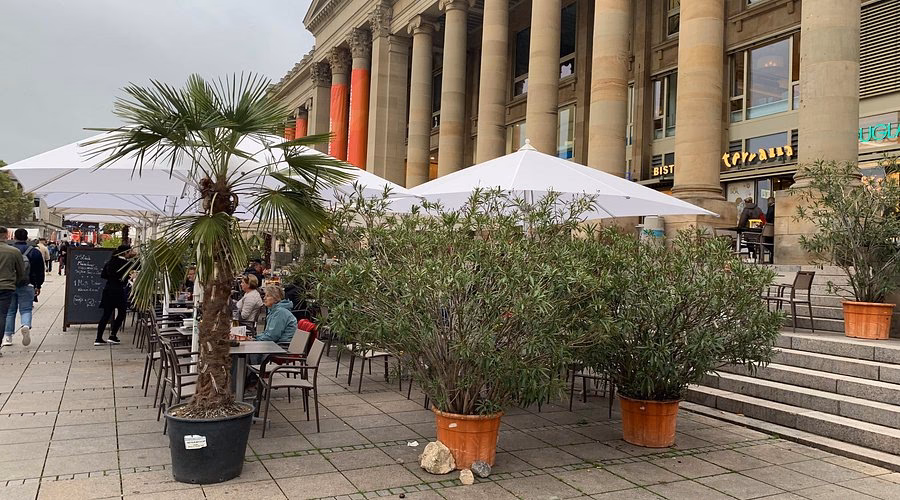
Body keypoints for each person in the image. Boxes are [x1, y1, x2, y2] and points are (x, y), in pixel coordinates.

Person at [4, 229, 44, 347]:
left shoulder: (9, 251)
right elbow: (40, 270)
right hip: (28, 284)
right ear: (27, 238)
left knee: (10, 311)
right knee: (26, 309)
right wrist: (38, 285)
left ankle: (8, 337)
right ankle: (25, 325)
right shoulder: (34, 252)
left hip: (10, 284)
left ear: (14, 237)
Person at [95, 245, 135, 346]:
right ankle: (113, 335)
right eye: (130, 251)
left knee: (106, 315)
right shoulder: (126, 263)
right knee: (121, 313)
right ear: (125, 253)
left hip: (108, 290)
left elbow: (103, 275)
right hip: (118, 291)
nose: (131, 253)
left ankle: (98, 338)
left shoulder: (110, 261)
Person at [0, 228, 27, 354]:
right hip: (6, 287)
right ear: (6, 236)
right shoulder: (14, 252)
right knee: (2, 316)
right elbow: (21, 272)